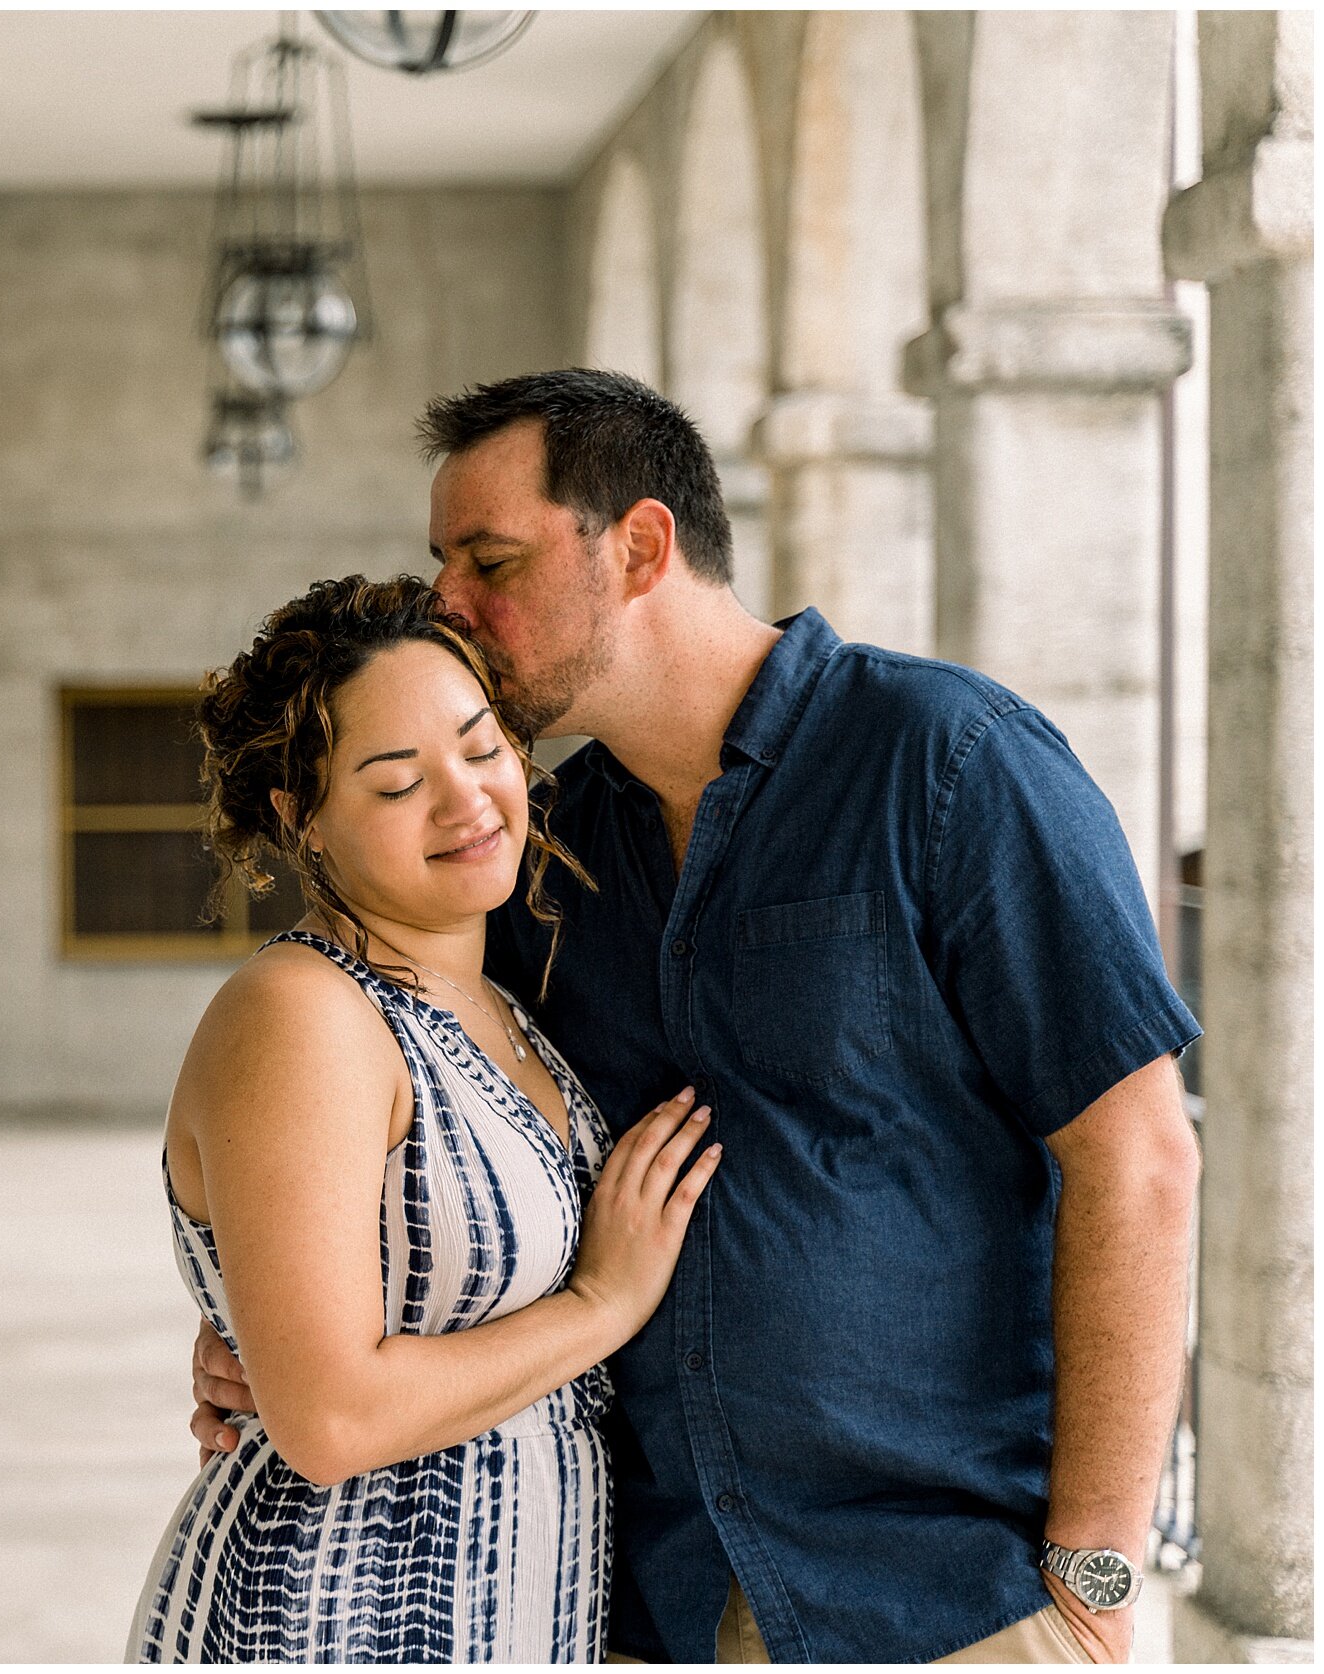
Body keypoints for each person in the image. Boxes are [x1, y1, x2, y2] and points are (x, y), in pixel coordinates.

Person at [187, 371, 1203, 1664]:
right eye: (441, 563)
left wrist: (1096, 1577)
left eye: (489, 559)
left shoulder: (946, 762)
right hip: (653, 1600)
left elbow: (1141, 1159)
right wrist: (271, 1326)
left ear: (642, 546)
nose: (450, 603)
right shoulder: (540, 857)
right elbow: (405, 1120)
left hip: (954, 1603)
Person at [129, 575, 721, 1663]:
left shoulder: (496, 995)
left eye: (481, 748)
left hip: (520, 1604)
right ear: (297, 817)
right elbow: (333, 1422)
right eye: (397, 784)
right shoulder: (301, 1014)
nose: (468, 801)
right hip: (340, 1610)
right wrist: (602, 1302)